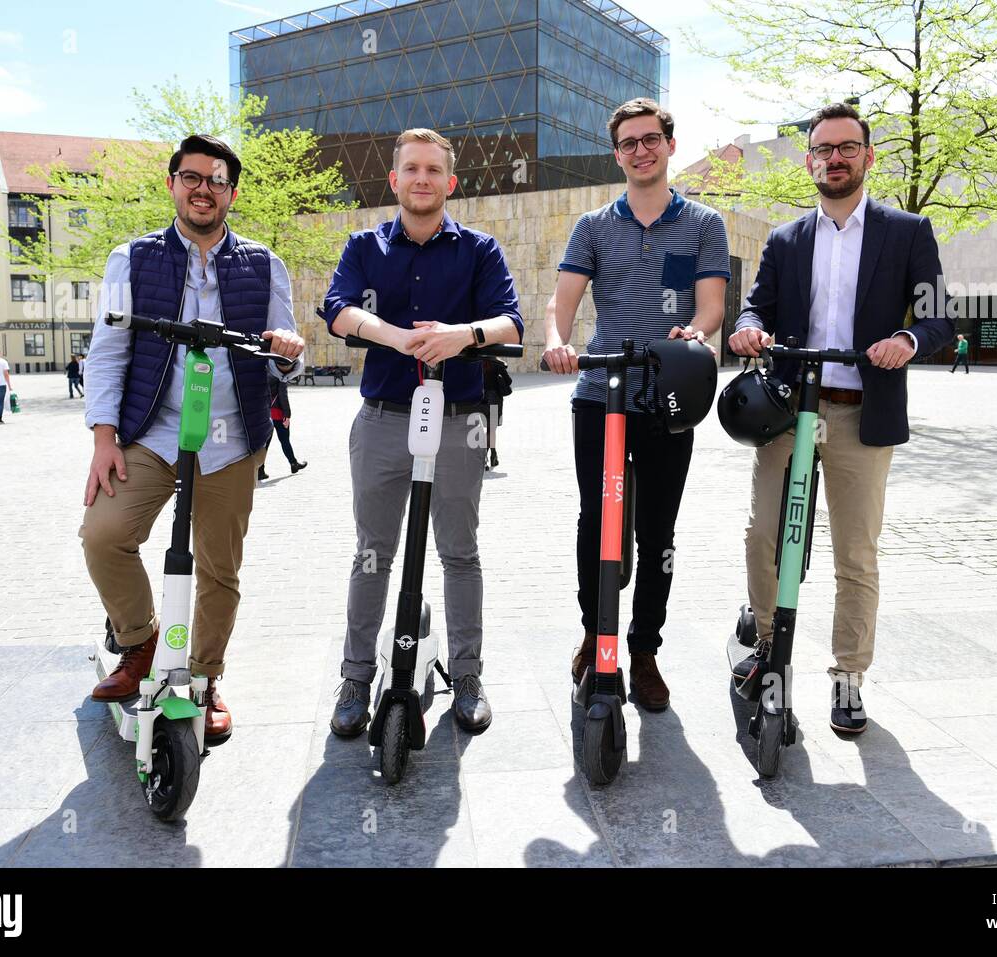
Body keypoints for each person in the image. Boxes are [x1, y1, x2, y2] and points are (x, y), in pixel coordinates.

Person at [729, 101, 954, 734]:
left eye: (846, 148)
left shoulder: (908, 232)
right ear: (809, 161)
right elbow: (754, 310)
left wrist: (907, 342)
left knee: (855, 554)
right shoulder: (785, 238)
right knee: (766, 537)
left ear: (868, 156)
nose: (834, 158)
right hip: (788, 411)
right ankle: (771, 654)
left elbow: (939, 317)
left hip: (863, 413)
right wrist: (749, 333)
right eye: (824, 150)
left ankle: (848, 677)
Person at [80, 133, 305, 743]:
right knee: (103, 535)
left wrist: (288, 351)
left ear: (231, 193)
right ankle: (140, 643)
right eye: (192, 177)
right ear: (173, 183)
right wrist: (104, 440)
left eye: (217, 180)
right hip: (151, 430)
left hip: (232, 437)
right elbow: (107, 352)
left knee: (219, 569)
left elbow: (285, 354)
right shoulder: (132, 259)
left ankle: (204, 680)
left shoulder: (263, 264)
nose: (203, 189)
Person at [320, 127, 523, 738]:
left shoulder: (480, 250)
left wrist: (460, 336)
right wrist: (398, 335)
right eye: (411, 168)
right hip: (383, 418)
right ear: (394, 180)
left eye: (434, 170)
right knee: (371, 553)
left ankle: (466, 674)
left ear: (450, 182)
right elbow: (337, 310)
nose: (422, 179)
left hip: (459, 421)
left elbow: (510, 323)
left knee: (460, 552)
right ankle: (357, 677)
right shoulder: (363, 245)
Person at [543, 98, 729, 712]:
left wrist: (696, 336)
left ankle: (644, 649)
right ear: (616, 153)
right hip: (601, 397)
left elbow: (710, 308)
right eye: (628, 142)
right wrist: (556, 341)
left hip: (668, 399)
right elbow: (562, 302)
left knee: (658, 532)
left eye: (651, 139)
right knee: (597, 525)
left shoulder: (704, 224)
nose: (641, 150)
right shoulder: (593, 226)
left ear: (670, 145)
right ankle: (596, 635)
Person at [260, 376, 306, 480]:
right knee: (285, 441)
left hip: (266, 413)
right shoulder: (281, 377)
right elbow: (283, 396)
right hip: (279, 415)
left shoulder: (263, 373)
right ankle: (294, 464)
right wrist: (287, 415)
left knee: (265, 444)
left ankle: (260, 470)